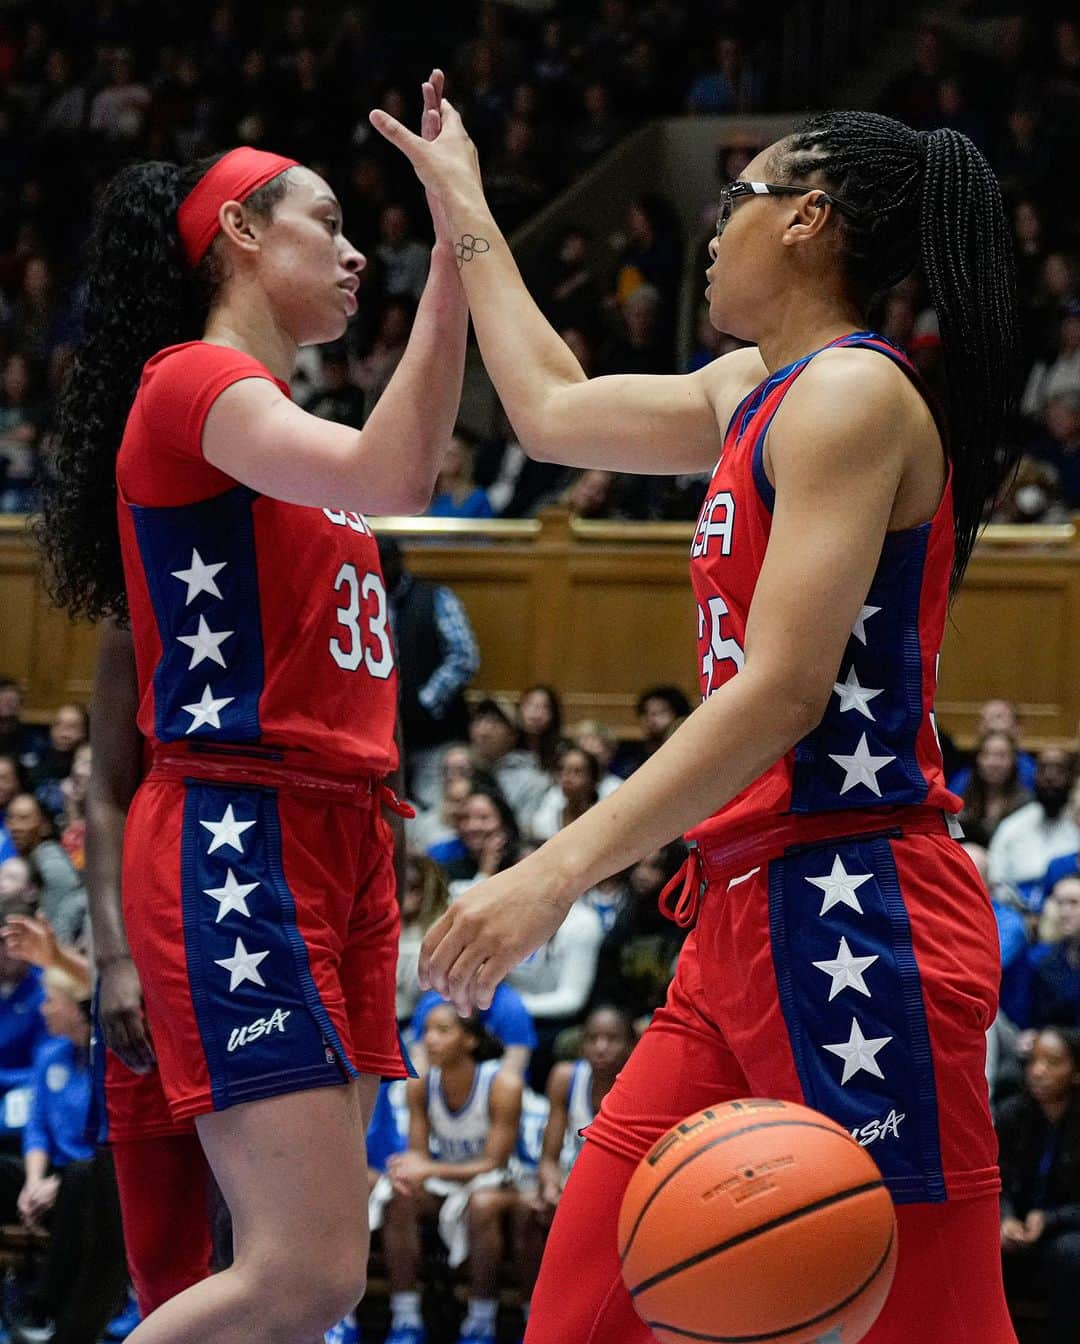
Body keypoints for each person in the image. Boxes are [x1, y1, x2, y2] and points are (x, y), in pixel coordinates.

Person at [373, 98, 1022, 1341]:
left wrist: (554, 870)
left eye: (738, 204)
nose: (712, 233)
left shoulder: (852, 399)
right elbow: (548, 410)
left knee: (936, 1319)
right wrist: (463, 198)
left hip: (858, 906)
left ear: (810, 219)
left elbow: (780, 692)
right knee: (582, 1310)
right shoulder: (751, 391)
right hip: (741, 914)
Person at [36, 70, 467, 1343]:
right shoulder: (187, 387)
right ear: (237, 233)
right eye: (324, 223)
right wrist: (457, 241)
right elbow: (399, 469)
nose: (351, 251)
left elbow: (403, 473)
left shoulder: (275, 429)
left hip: (339, 838)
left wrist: (454, 252)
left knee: (307, 1283)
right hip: (243, 829)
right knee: (299, 1275)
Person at [374, 1005, 522, 1344]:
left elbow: (494, 1164)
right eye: (426, 1031)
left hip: (497, 1183)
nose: (430, 1040)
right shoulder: (421, 1085)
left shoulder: (503, 1084)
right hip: (447, 1182)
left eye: (442, 1031)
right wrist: (409, 1169)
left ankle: (480, 1323)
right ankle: (406, 1319)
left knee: (482, 1204)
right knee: (400, 1194)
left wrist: (428, 1168)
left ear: (469, 1040)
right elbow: (418, 1156)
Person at [0, 966, 129, 1344]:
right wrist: (36, 1181)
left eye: (52, 1001)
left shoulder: (108, 1060)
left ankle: (43, 1304)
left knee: (80, 1176)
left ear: (76, 1007)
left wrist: (54, 1185)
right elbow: (37, 1127)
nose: (44, 1010)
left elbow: (105, 1143)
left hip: (96, 1182)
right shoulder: (49, 1054)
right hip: (51, 1178)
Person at [378, 536, 480, 811]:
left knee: (435, 811)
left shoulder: (435, 597)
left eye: (385, 563)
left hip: (433, 733)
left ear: (399, 562)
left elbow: (464, 657)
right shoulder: (363, 596)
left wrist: (423, 702)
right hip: (379, 735)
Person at [996, 1026, 1080, 1342]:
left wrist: (1050, 1219)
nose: (1039, 1071)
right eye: (1034, 1061)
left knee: (1071, 1253)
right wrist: (1005, 1219)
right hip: (1014, 1227)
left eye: (1053, 1062)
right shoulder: (1010, 1114)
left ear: (1076, 1073)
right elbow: (995, 1179)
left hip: (1065, 1229)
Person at [989, 748, 1080, 911]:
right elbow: (997, 882)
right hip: (1017, 911)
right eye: (1043, 769)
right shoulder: (1012, 826)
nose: (1050, 777)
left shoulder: (1077, 825)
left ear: (1071, 777)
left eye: (1058, 770)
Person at [957, 729, 1032, 847]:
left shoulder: (1026, 804)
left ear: (1014, 761)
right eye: (987, 755)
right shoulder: (963, 802)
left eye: (1001, 756)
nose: (994, 763)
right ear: (977, 759)